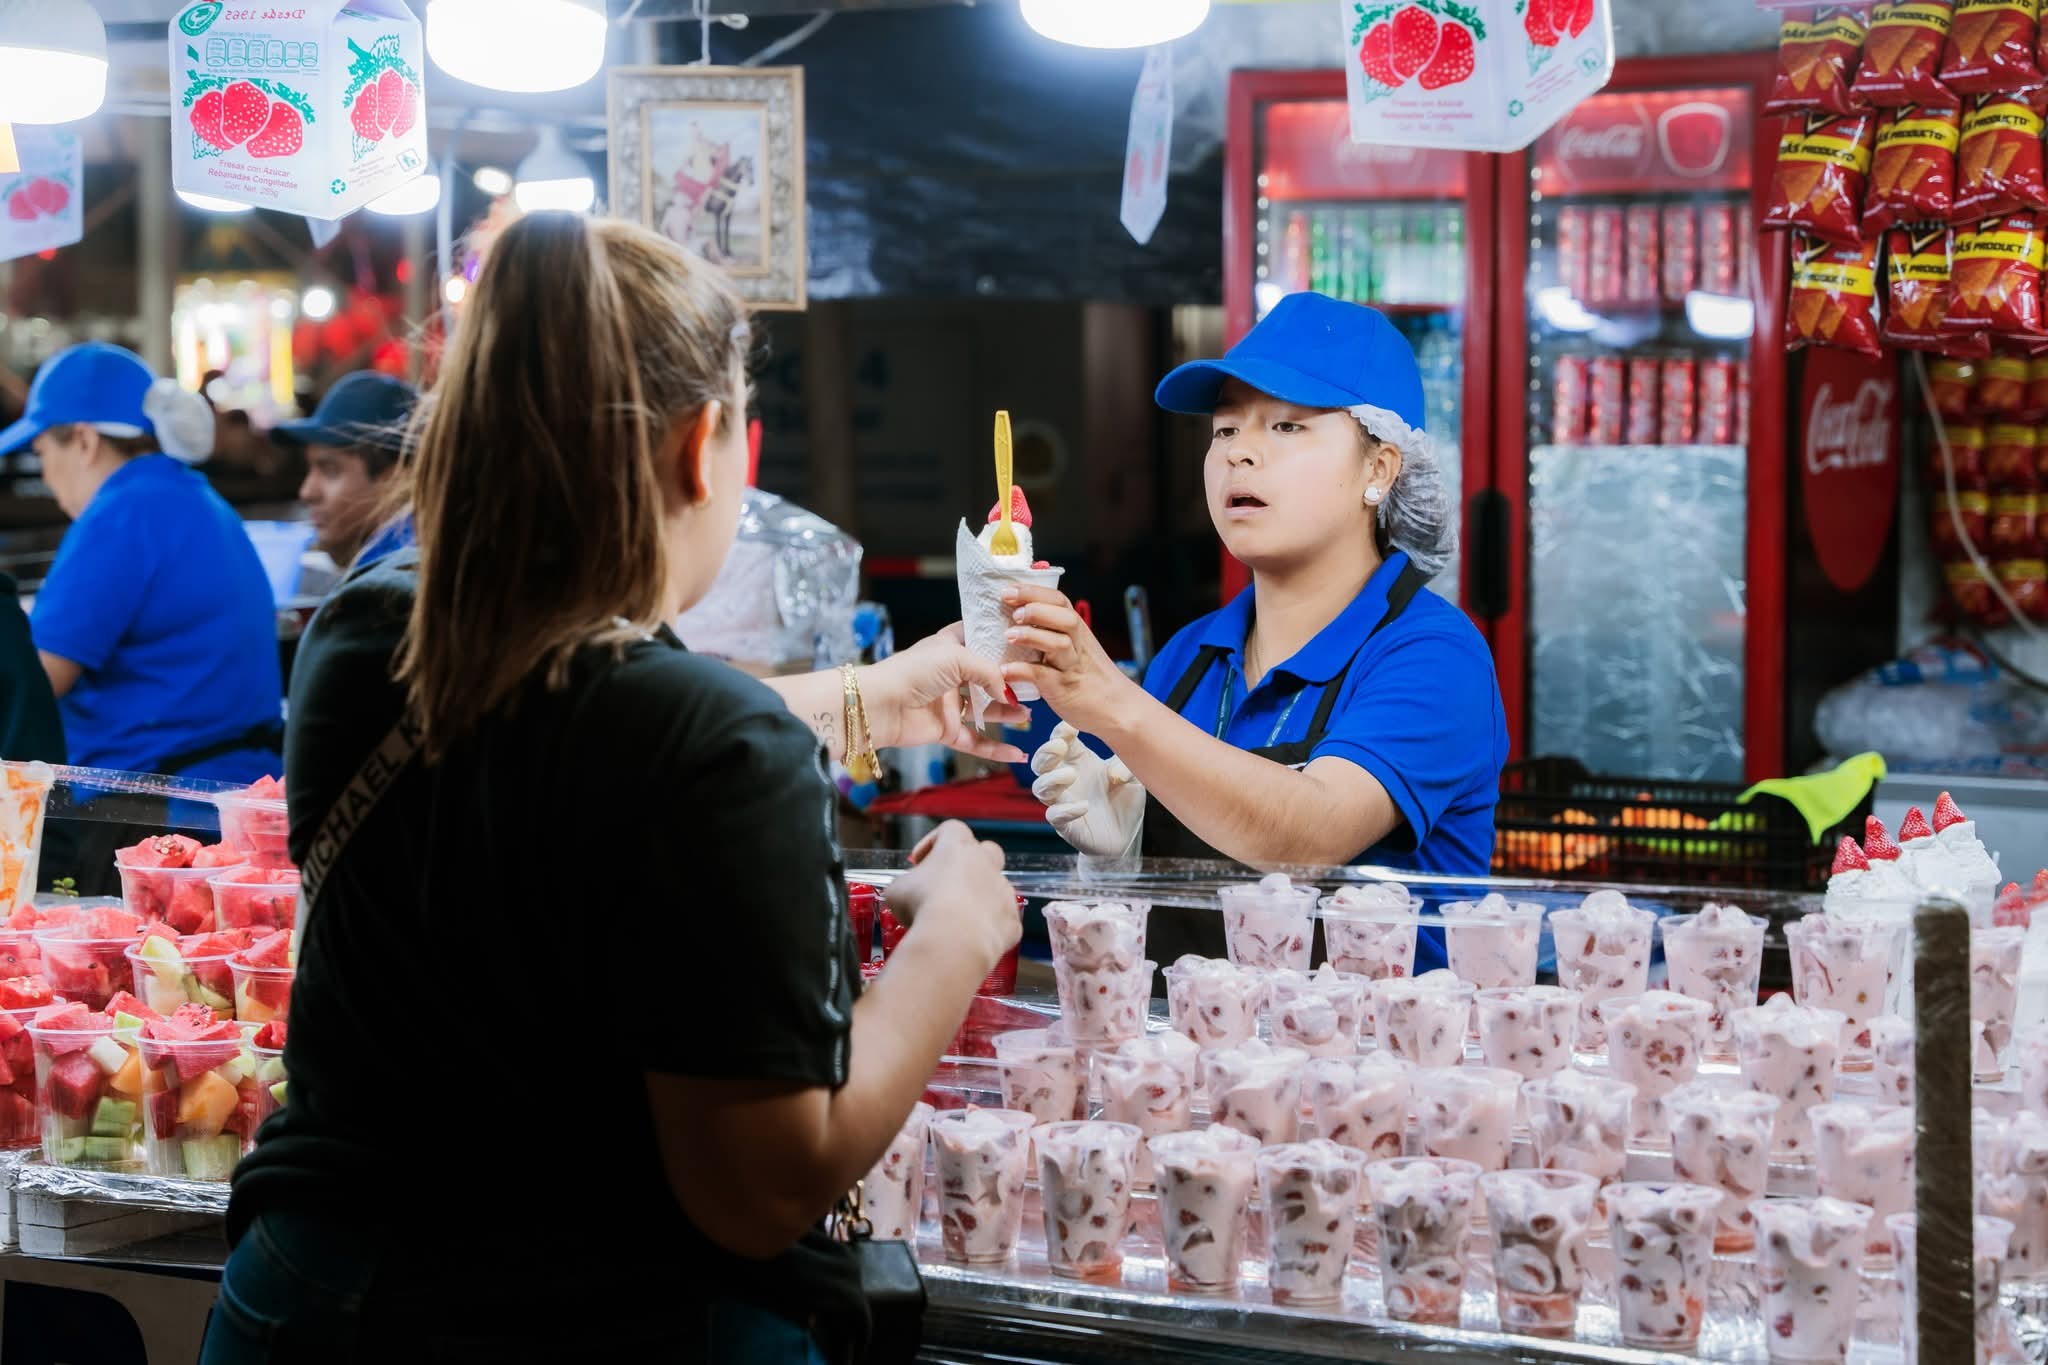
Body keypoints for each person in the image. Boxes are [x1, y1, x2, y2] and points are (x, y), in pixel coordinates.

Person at [205, 214, 1025, 1365]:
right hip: (599, 1321)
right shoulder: (706, 750)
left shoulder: (365, 637)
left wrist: (868, 700)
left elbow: (568, 722)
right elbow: (761, 1189)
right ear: (704, 447)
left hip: (312, 1297)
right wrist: (956, 932)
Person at [1012, 293, 1509, 971]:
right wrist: (1114, 863)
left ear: (1378, 470)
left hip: (1377, 1065)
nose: (1240, 454)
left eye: (1286, 427)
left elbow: (1312, 832)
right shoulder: (1189, 658)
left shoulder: (1431, 655)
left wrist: (1112, 702)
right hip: (1196, 1062)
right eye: (1224, 430)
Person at [2, 343, 282, 786]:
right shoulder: (192, 496)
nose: (48, 476)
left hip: (163, 806)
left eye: (42, 454)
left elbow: (29, 688)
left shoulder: (120, 515)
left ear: (84, 440)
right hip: (233, 788)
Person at [271, 371, 418, 569]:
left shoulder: (393, 582)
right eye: (310, 469)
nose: (307, 492)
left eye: (330, 470)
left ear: (397, 481)